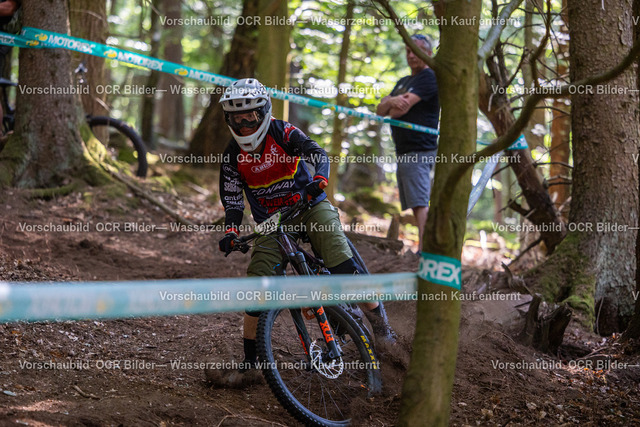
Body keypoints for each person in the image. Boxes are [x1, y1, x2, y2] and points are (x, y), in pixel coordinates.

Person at [212, 78, 396, 386]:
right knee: (257, 291)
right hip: (272, 223)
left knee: (342, 263)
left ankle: (382, 331)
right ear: (228, 120)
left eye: (250, 117)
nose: (244, 125)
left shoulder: (283, 132)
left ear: (264, 113)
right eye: (236, 119)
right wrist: (231, 231)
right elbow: (232, 202)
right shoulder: (232, 157)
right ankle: (251, 364)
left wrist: (319, 179)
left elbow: (317, 153)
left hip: (309, 204)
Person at [376, 34, 439, 254]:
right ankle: (424, 248)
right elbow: (380, 110)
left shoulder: (428, 77)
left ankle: (425, 252)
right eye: (408, 50)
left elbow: (396, 110)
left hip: (419, 148)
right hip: (404, 150)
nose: (411, 55)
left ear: (428, 54)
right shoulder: (404, 81)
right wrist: (390, 102)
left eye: (417, 50)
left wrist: (390, 103)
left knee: (420, 201)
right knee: (415, 201)